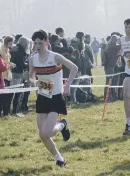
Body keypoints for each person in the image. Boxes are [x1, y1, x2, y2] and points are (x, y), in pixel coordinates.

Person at [29, 30, 78, 166]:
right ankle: (59, 158)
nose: (37, 45)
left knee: (46, 132)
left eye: (40, 43)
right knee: (42, 134)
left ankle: (62, 125)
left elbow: (74, 68)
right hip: (43, 96)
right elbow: (31, 76)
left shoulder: (55, 57)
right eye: (35, 43)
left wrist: (67, 86)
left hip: (56, 97)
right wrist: (33, 81)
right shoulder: (33, 59)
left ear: (46, 43)